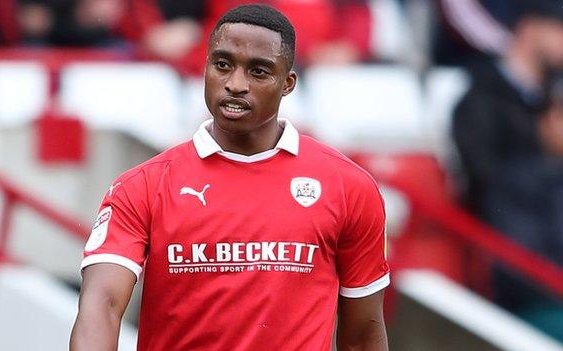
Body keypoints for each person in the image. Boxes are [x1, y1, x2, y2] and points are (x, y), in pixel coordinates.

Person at [70, 4, 389, 350]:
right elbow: (102, 306)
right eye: (222, 65)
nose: (236, 84)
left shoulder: (348, 187)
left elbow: (362, 335)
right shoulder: (141, 187)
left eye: (259, 71)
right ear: (205, 68)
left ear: (288, 83)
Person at [452, 0, 563, 308]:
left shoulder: (550, 97)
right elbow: (484, 180)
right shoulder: (479, 99)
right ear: (529, 27)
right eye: (558, 27)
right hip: (514, 266)